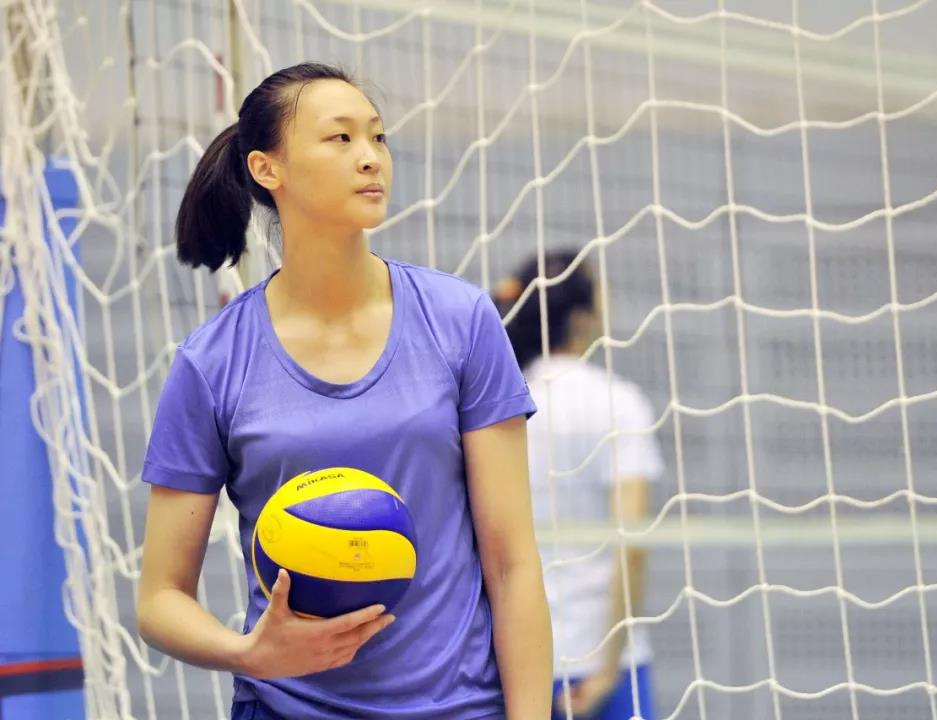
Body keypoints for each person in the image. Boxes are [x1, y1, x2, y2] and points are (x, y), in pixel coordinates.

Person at [135, 62, 552, 720]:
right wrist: (250, 653)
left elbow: (512, 563)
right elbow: (160, 598)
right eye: (341, 138)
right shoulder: (211, 361)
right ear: (267, 168)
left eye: (378, 137)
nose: (370, 157)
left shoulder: (461, 320)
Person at [496, 251, 663, 720]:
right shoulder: (617, 402)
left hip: (516, 660)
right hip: (602, 659)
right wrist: (608, 670)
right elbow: (632, 543)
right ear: (581, 318)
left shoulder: (499, 403)